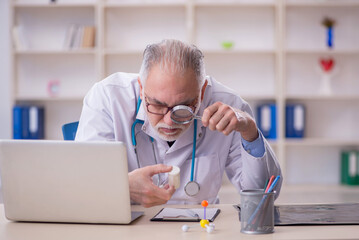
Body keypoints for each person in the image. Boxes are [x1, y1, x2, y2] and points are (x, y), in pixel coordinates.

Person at [76, 39, 282, 207]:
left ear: (202, 92)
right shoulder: (107, 97)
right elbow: (81, 184)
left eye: (183, 107)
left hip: (199, 227)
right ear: (141, 87)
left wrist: (250, 131)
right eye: (156, 104)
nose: (169, 121)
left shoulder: (228, 106)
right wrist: (120, 185)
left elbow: (265, 194)